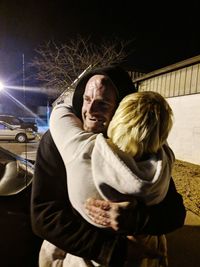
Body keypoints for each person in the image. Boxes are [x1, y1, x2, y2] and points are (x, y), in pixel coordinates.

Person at [31, 65, 186, 267]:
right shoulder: (58, 142)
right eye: (87, 99)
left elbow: (175, 212)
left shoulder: (140, 147)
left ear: (123, 108)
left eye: (103, 104)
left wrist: (135, 219)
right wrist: (111, 250)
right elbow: (44, 214)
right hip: (76, 255)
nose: (90, 111)